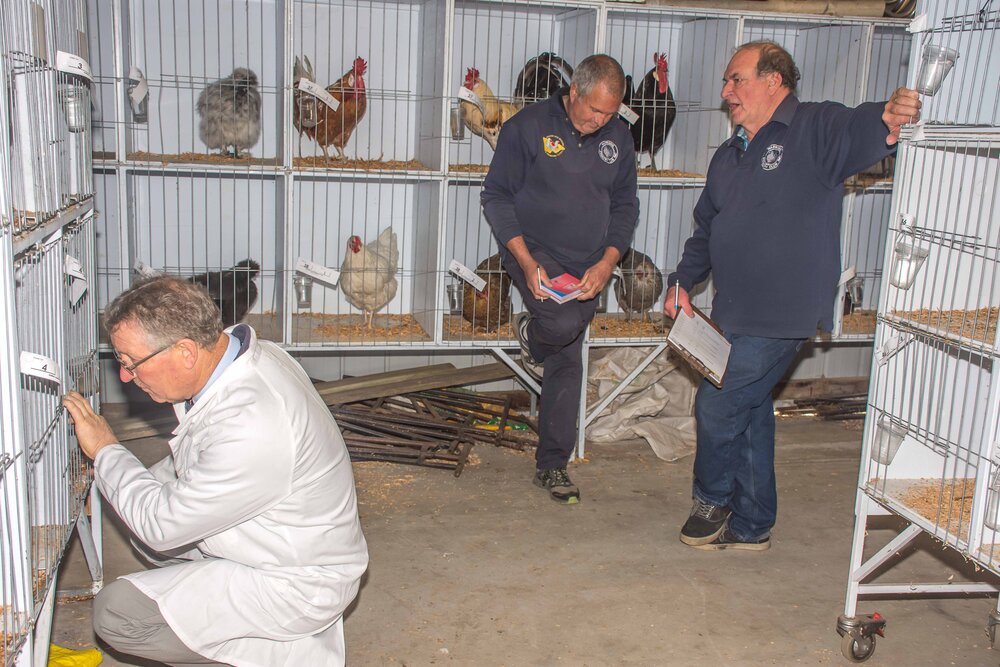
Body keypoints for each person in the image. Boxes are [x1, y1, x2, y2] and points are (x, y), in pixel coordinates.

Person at [664, 40, 921, 551]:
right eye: (727, 82)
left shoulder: (813, 128)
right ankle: (753, 523)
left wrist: (888, 116)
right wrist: (679, 283)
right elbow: (706, 228)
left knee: (718, 404)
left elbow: (860, 127)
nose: (726, 91)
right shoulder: (729, 153)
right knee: (752, 408)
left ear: (773, 81)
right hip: (731, 310)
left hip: (782, 313)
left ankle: (711, 499)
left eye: (736, 79)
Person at [62, 276, 368, 666]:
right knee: (141, 509)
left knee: (118, 614)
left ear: (186, 352)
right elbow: (189, 465)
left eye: (130, 362)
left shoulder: (253, 424)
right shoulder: (248, 358)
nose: (124, 376)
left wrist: (105, 449)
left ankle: (279, 655)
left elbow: (162, 525)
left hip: (297, 582)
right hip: (284, 544)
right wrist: (111, 479)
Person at [482, 54, 639, 504]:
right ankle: (533, 332)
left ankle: (552, 465)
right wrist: (526, 261)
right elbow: (495, 196)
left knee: (568, 359)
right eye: (594, 110)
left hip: (590, 263)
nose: (600, 120)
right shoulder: (526, 128)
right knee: (564, 326)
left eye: (610, 113)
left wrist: (609, 262)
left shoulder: (618, 138)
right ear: (573, 92)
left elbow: (627, 205)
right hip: (534, 252)